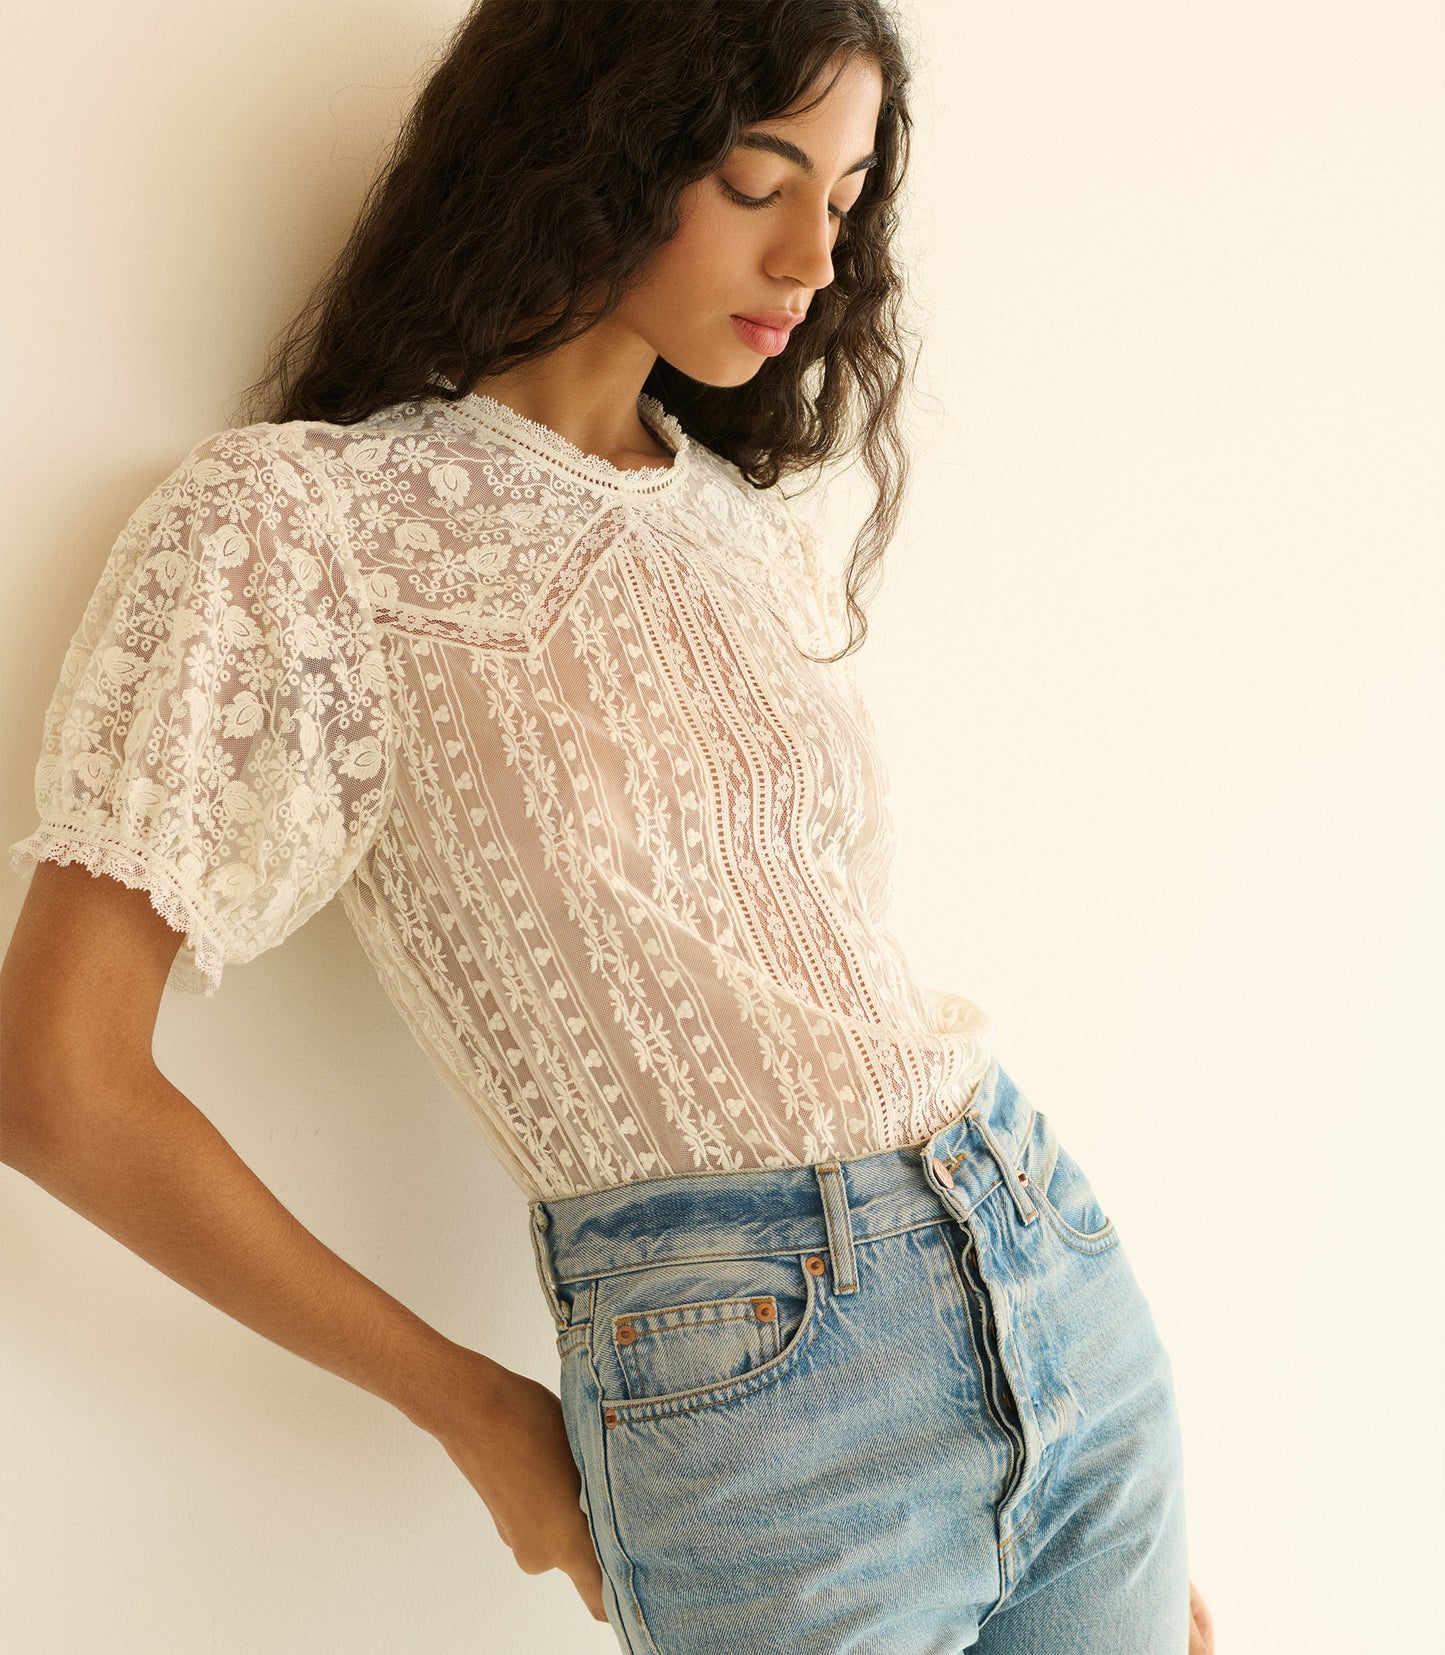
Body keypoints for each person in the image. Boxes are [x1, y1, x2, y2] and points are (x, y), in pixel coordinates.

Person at [0, 2, 1215, 1650]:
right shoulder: (302, 527)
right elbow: (57, 1082)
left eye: (844, 202)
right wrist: (476, 1414)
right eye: (754, 178)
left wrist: (1070, 1432)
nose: (807, 258)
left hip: (1043, 1272)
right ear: (596, 147)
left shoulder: (735, 527)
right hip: (752, 1401)